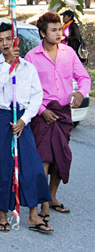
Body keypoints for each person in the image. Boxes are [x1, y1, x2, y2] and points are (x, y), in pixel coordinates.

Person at [0, 23, 53, 233]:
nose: (5, 43)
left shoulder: (28, 68)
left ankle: (33, 215)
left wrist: (24, 120)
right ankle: (3, 215)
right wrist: (8, 65)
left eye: (8, 39)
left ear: (16, 41)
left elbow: (36, 96)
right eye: (0, 40)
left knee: (32, 167)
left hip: (22, 119)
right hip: (2, 117)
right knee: (3, 167)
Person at [25, 12, 91, 220]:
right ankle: (44, 204)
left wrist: (80, 93)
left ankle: (52, 196)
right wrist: (42, 111)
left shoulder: (69, 54)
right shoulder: (31, 57)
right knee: (44, 159)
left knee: (61, 159)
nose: (59, 33)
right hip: (42, 114)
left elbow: (84, 77)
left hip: (63, 114)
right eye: (53, 30)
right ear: (43, 33)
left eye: (59, 29)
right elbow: (27, 90)